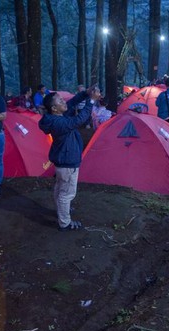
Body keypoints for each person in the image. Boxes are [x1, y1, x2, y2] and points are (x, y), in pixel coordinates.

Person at [39, 85, 102, 231]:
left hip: (63, 160)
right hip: (67, 162)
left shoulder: (56, 117)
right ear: (54, 109)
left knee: (61, 188)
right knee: (66, 194)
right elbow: (80, 119)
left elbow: (72, 102)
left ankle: (62, 210)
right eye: (60, 101)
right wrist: (91, 101)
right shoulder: (59, 123)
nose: (64, 102)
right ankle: (65, 222)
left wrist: (85, 94)